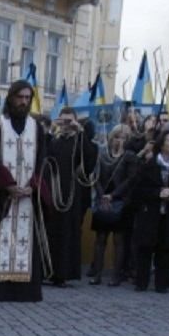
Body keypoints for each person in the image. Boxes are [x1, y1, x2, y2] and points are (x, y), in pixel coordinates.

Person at [0, 79, 48, 301]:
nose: (23, 102)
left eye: (27, 98)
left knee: (26, 241)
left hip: (28, 199)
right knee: (0, 238)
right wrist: (8, 185)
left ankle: (24, 291)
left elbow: (41, 160)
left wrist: (33, 186)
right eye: (19, 97)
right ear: (11, 98)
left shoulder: (36, 128)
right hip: (4, 197)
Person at [127, 128, 169, 292]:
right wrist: (157, 193)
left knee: (167, 248)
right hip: (150, 211)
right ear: (162, 144)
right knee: (145, 247)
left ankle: (162, 283)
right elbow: (137, 188)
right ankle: (141, 281)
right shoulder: (149, 164)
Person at [41, 107, 98, 286]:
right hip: (53, 191)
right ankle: (47, 271)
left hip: (72, 194)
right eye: (63, 120)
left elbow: (89, 160)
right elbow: (43, 156)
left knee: (68, 233)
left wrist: (79, 130)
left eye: (69, 120)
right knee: (50, 232)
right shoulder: (55, 140)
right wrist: (51, 129)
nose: (65, 124)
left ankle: (63, 273)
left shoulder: (80, 141)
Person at [89, 123, 131, 286]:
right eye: (116, 137)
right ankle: (97, 274)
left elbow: (129, 180)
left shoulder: (128, 156)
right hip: (102, 200)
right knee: (100, 238)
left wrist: (113, 195)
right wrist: (102, 195)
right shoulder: (102, 154)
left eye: (123, 138)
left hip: (120, 200)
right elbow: (96, 177)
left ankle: (116, 275)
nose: (119, 140)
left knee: (119, 240)